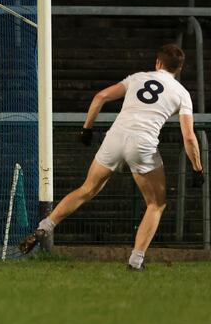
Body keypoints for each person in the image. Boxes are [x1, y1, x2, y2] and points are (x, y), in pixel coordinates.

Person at [19, 44, 204, 270]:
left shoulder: (137, 78)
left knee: (87, 189)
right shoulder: (182, 93)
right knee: (156, 204)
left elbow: (101, 96)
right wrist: (197, 168)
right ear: (179, 68)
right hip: (142, 143)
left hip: (115, 137)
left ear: (158, 62)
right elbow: (189, 137)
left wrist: (86, 129)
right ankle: (136, 262)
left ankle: (45, 226)